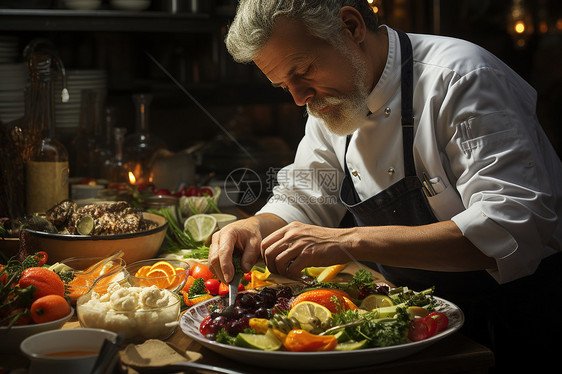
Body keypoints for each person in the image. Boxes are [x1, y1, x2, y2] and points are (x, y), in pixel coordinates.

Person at [208, 1, 562, 371]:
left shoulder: (463, 77)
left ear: (351, 26)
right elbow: (306, 193)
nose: (299, 97)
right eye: (284, 85)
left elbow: (510, 227)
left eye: (303, 70)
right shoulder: (332, 100)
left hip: (514, 316)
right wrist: (254, 225)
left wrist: (346, 242)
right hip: (415, 318)